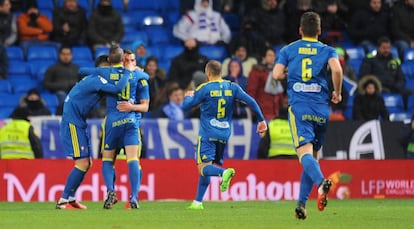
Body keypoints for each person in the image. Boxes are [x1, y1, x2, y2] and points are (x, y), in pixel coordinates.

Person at [272, 12, 343, 219]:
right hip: (321, 108)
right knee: (312, 157)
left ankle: (321, 183)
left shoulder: (288, 50)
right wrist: (337, 93)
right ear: (319, 31)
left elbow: (276, 75)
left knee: (304, 154)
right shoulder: (328, 50)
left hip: (300, 107)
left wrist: (288, 73)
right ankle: (302, 204)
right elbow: (337, 71)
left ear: (300, 30)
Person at [182, 60, 267, 210]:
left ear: (208, 73)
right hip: (225, 133)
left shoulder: (205, 88)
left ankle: (224, 172)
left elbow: (186, 107)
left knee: (203, 167)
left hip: (208, 132)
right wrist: (261, 120)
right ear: (221, 72)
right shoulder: (232, 86)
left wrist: (188, 96)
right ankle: (197, 202)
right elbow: (251, 101)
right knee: (207, 166)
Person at [55, 47, 132, 210]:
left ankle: (70, 197)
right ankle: (63, 199)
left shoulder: (94, 79)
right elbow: (118, 89)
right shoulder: (98, 79)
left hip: (77, 121)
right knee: (82, 163)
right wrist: (127, 72)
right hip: (72, 123)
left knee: (86, 162)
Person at [100, 48, 150, 210]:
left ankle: (121, 194)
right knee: (132, 159)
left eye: (133, 60)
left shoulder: (110, 75)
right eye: (127, 60)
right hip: (129, 124)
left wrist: (131, 106)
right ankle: (130, 195)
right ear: (121, 61)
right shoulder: (140, 77)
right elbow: (144, 107)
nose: (130, 63)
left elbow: (145, 107)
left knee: (110, 159)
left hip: (119, 123)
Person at [247, 47, 284, 120]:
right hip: (262, 111)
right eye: (269, 55)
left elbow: (279, 92)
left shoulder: (276, 71)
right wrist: (253, 110)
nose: (272, 58)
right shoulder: (256, 72)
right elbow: (251, 91)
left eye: (273, 55)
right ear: (263, 57)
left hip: (275, 112)